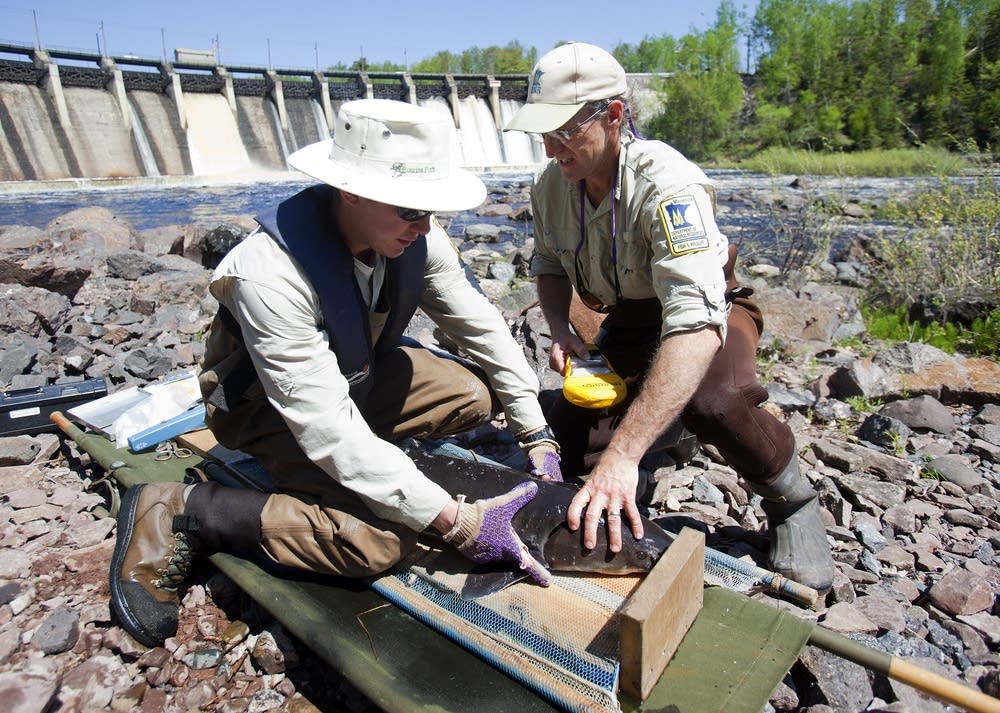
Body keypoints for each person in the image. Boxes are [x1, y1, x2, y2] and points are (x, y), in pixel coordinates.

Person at [109, 98, 564, 647]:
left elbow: (483, 328)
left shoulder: (418, 237)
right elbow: (325, 426)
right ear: (351, 190)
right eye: (410, 210)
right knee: (380, 540)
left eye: (431, 211)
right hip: (265, 410)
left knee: (474, 392)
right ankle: (187, 512)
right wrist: (454, 521)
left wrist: (536, 433)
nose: (424, 226)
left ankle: (382, 470)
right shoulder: (268, 274)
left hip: (358, 378)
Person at [504, 42, 834, 593]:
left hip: (710, 310)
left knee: (715, 403)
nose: (549, 146)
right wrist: (561, 327)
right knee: (568, 439)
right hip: (631, 317)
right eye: (542, 132)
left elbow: (696, 324)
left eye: (563, 130)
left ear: (612, 115)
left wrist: (625, 456)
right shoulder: (550, 185)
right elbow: (549, 264)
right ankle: (667, 430)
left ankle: (792, 500)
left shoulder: (668, 184)